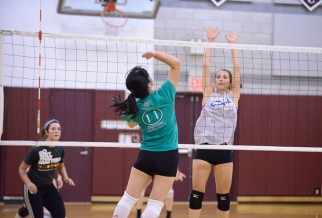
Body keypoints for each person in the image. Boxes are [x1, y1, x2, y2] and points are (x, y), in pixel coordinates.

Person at [111, 50, 181, 218]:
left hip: (147, 156)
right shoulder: (165, 94)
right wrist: (154, 54)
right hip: (168, 156)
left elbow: (132, 123)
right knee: (155, 205)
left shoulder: (133, 108)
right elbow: (176, 64)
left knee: (128, 199)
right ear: (149, 83)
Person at [189, 25, 241, 218]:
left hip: (224, 149)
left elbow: (236, 69)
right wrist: (209, 41)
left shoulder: (234, 96)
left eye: (224, 77)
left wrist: (232, 46)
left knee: (223, 196)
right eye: (218, 76)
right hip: (204, 147)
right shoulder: (207, 94)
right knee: (196, 194)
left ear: (230, 82)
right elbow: (205, 67)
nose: (220, 78)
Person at [18, 119, 75, 218]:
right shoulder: (37, 149)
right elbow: (22, 169)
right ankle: (20, 214)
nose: (57, 131)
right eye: (53, 129)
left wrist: (65, 177)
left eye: (59, 129)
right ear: (46, 132)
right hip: (33, 188)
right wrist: (29, 184)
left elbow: (61, 166)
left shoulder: (60, 148)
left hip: (49, 187)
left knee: (60, 214)